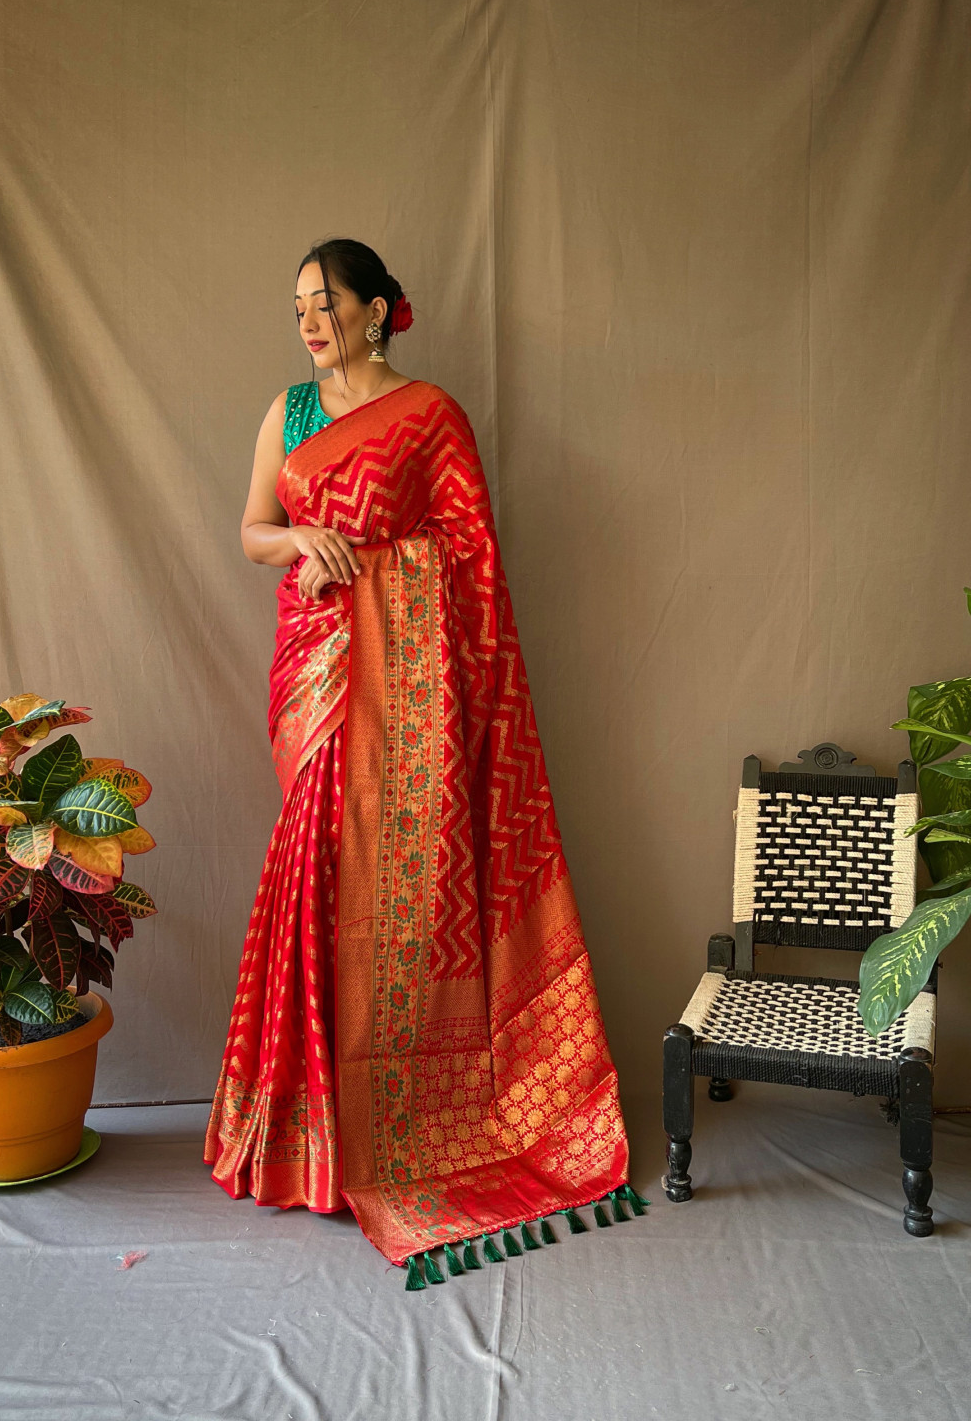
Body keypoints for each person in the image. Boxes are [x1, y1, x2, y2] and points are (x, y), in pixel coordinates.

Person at [203, 238, 643, 1289]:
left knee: (386, 900)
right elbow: (253, 529)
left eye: (326, 303)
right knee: (312, 873)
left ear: (379, 309)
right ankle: (301, 1139)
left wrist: (391, 573)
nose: (310, 321)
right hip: (317, 676)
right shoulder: (289, 415)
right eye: (298, 305)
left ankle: (374, 1133)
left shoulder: (431, 414)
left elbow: (473, 555)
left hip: (411, 694)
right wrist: (301, 547)